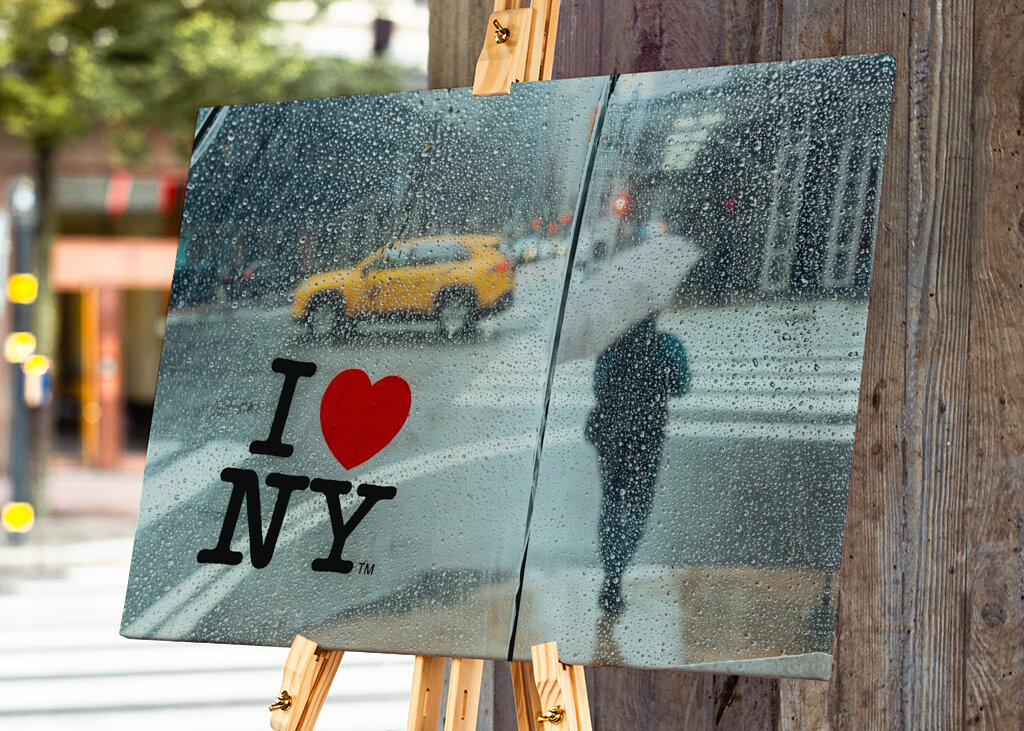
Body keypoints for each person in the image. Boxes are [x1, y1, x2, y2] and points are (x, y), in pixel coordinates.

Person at [585, 314, 691, 618]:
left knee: (611, 504)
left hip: (611, 436)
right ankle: (617, 573)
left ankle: (610, 570)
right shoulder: (667, 345)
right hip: (647, 436)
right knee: (639, 507)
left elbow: (599, 387)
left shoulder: (611, 345)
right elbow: (682, 385)